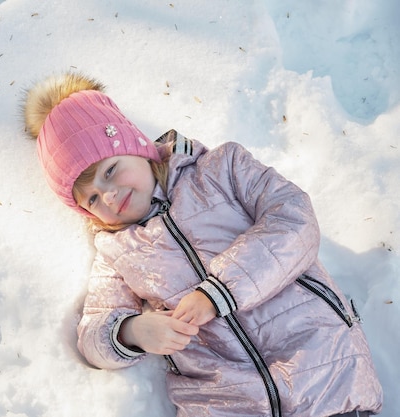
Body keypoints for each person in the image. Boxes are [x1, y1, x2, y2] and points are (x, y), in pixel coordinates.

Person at [22, 72, 383, 417]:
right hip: (223, 401)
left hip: (321, 366)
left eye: (111, 170)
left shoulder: (220, 169)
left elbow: (294, 218)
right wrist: (133, 332)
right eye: (92, 199)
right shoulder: (115, 252)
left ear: (139, 146)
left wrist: (218, 292)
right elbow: (93, 334)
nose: (110, 195)